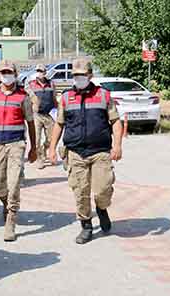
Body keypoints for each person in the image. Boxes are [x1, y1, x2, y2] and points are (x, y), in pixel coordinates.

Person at [48, 59, 122, 244]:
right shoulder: (66, 97)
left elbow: (115, 121)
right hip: (75, 153)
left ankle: (102, 208)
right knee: (80, 192)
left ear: (90, 76)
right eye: (75, 75)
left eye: (82, 75)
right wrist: (51, 148)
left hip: (100, 152)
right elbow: (59, 124)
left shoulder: (104, 95)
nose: (78, 78)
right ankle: (86, 226)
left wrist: (118, 145)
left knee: (103, 190)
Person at [0, 60, 37, 242]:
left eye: (9, 72)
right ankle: (6, 203)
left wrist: (34, 148)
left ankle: (11, 220)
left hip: (16, 144)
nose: (6, 75)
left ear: (15, 74)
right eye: (3, 72)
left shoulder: (23, 97)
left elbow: (30, 122)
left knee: (14, 183)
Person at [27, 64, 58, 169]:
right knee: (36, 139)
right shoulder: (31, 84)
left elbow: (54, 98)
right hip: (37, 115)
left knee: (51, 138)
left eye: (42, 71)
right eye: (38, 71)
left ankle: (45, 150)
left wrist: (57, 110)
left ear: (45, 72)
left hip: (49, 115)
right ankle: (40, 158)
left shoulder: (51, 84)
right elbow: (28, 99)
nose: (40, 73)